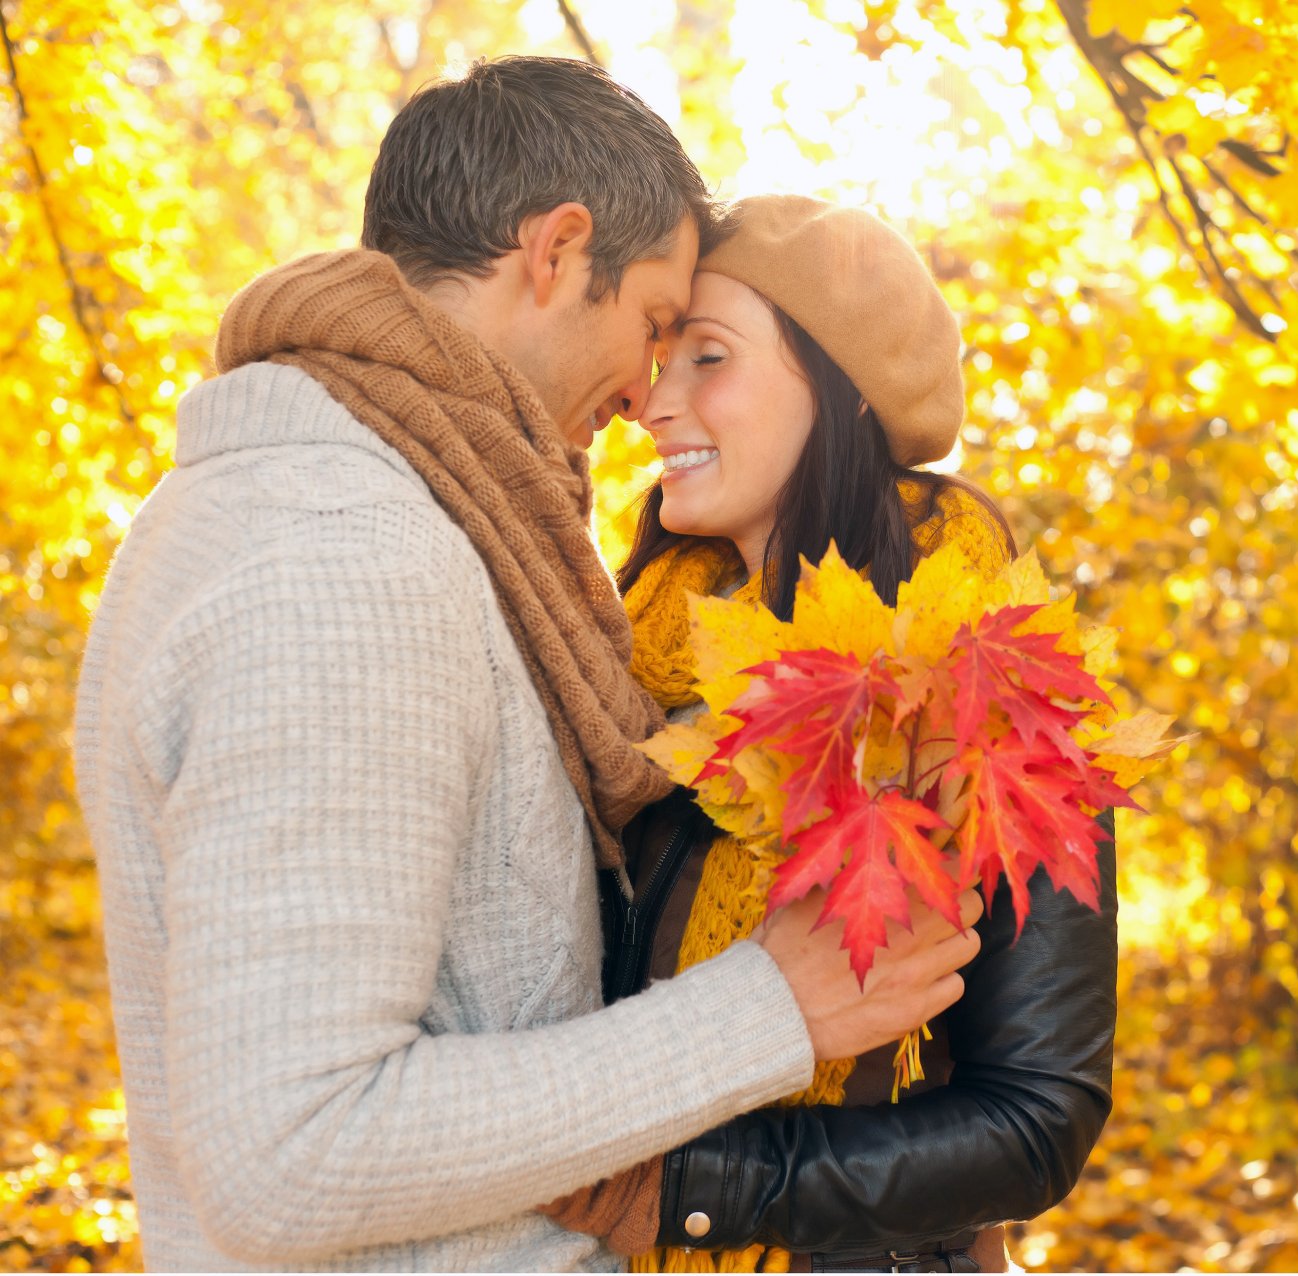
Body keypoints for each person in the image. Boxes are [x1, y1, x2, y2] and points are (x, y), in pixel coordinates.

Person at [71, 60, 980, 1272]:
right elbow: (291, 1153)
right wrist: (768, 1008)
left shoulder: (312, 509)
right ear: (556, 252)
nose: (645, 393)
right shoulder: (344, 559)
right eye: (654, 325)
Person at [539, 196, 1119, 1273]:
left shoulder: (979, 693)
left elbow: (1038, 1119)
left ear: (843, 390)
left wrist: (691, 1189)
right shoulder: (627, 668)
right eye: (661, 358)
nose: (653, 402)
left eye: (709, 356)